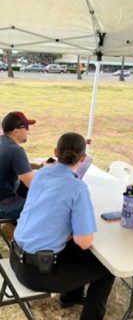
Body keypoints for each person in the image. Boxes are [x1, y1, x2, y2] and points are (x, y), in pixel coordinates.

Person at [10, 132, 115, 320]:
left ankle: (71, 297)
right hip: (37, 272)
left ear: (55, 152)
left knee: (74, 248)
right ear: (83, 159)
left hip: (15, 258)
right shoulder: (77, 188)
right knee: (107, 270)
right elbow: (84, 241)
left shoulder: (40, 174)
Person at [0, 111, 39, 219]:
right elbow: (33, 184)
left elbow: (9, 162)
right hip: (4, 204)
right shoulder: (16, 151)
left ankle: (11, 230)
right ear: (16, 131)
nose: (28, 131)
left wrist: (38, 166)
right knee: (46, 203)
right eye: (26, 127)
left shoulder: (3, 142)